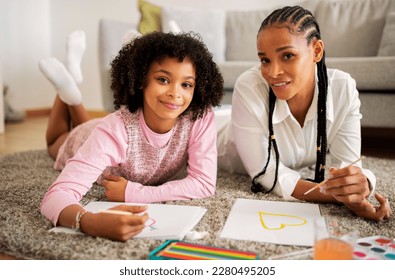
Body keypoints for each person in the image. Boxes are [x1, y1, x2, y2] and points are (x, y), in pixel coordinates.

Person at [39, 31, 224, 241]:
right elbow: (55, 196)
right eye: (163, 80)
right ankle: (68, 91)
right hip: (86, 137)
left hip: (109, 132)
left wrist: (133, 193)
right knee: (56, 140)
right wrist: (89, 222)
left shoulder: (199, 116)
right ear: (140, 80)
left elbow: (204, 183)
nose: (175, 93)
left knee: (84, 126)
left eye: (186, 84)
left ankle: (71, 89)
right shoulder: (114, 129)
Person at [218, 5, 392, 222]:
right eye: (265, 60)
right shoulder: (250, 86)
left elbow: (347, 168)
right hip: (216, 133)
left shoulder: (342, 89)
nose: (273, 73)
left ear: (317, 51)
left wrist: (361, 184)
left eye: (288, 55)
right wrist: (342, 197)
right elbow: (266, 173)